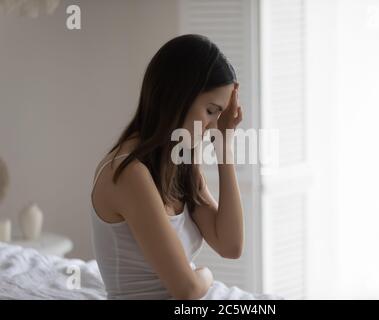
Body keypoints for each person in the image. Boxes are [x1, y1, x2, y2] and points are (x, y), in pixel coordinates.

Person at [90, 34, 281, 300]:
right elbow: (187, 290)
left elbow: (230, 245)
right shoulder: (128, 174)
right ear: (178, 97)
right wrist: (205, 274)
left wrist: (223, 142)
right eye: (211, 111)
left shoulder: (180, 164)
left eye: (219, 114)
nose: (213, 124)